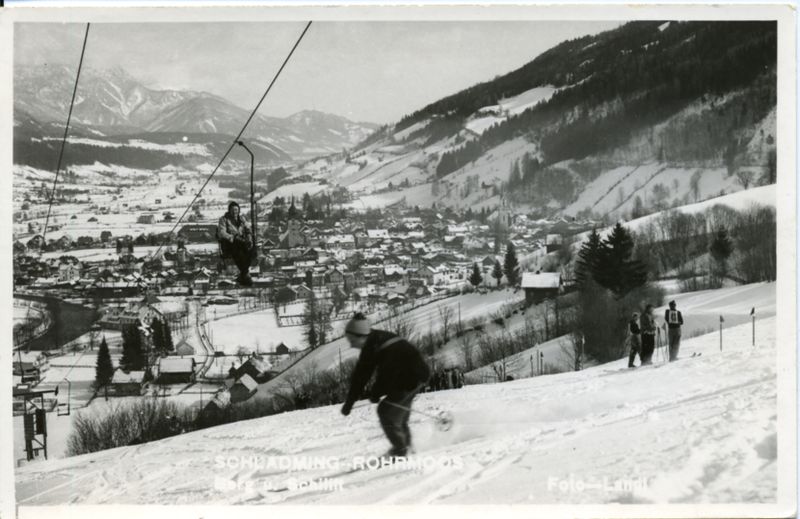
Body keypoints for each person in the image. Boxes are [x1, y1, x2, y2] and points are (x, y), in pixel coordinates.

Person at [341, 313, 431, 459]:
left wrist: (376, 392)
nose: (351, 344)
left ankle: (400, 450)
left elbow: (388, 373)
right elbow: (360, 376)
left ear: (361, 336)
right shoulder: (371, 344)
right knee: (397, 416)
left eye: (352, 340)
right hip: (406, 376)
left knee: (386, 411)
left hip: (413, 377)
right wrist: (349, 402)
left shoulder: (378, 344)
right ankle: (407, 448)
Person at [216, 201, 254, 286]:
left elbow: (248, 229)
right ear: (229, 210)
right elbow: (221, 232)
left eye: (236, 210)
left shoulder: (241, 219)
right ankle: (245, 275)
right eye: (233, 210)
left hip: (241, 242)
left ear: (239, 210)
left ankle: (243, 274)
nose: (235, 212)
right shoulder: (224, 219)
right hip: (229, 243)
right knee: (239, 252)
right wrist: (232, 237)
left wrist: (249, 238)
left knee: (250, 252)